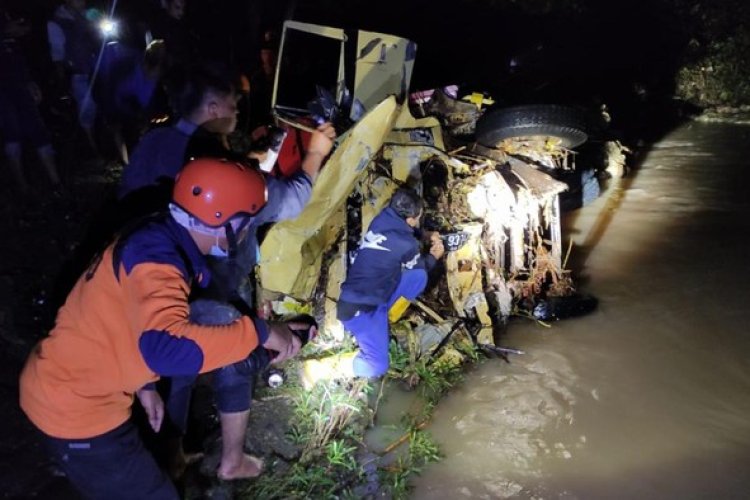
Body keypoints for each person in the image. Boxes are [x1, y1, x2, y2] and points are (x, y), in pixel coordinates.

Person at [19, 158, 304, 499]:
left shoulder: (156, 236)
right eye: (246, 222)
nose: (245, 233)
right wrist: (261, 332)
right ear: (223, 223)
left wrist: (145, 384)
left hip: (65, 381)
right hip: (78, 413)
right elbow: (168, 348)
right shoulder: (159, 260)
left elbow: (118, 312)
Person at [302, 188, 445, 386]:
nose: (418, 221)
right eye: (418, 217)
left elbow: (405, 234)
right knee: (377, 365)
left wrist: (425, 235)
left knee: (414, 278)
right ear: (411, 218)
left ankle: (385, 320)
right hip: (362, 311)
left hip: (364, 295)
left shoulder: (382, 220)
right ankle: (318, 369)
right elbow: (422, 264)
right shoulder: (406, 244)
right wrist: (434, 257)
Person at [0, 11, 63, 196]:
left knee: (38, 130)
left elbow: (17, 48)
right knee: (12, 133)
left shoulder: (5, 13)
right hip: (2, 90)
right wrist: (6, 31)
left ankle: (56, 182)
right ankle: (22, 186)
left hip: (20, 83)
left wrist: (30, 81)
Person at [47, 0, 99, 152]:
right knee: (87, 106)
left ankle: (106, 138)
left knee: (103, 102)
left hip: (98, 67)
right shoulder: (57, 21)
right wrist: (62, 75)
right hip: (78, 72)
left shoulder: (90, 14)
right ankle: (91, 143)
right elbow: (57, 51)